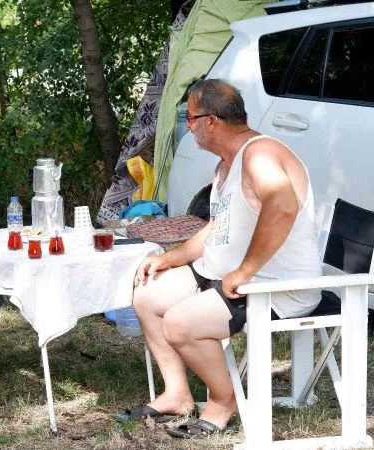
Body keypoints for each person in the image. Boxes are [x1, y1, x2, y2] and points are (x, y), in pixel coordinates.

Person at [116, 79, 322, 438]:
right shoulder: (228, 162)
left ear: (211, 121)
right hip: (223, 276)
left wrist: (245, 270)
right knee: (148, 295)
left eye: (191, 118)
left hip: (273, 287)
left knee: (180, 323)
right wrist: (172, 258)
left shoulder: (260, 153)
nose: (189, 126)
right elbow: (218, 228)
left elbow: (283, 205)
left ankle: (223, 401)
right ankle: (178, 395)